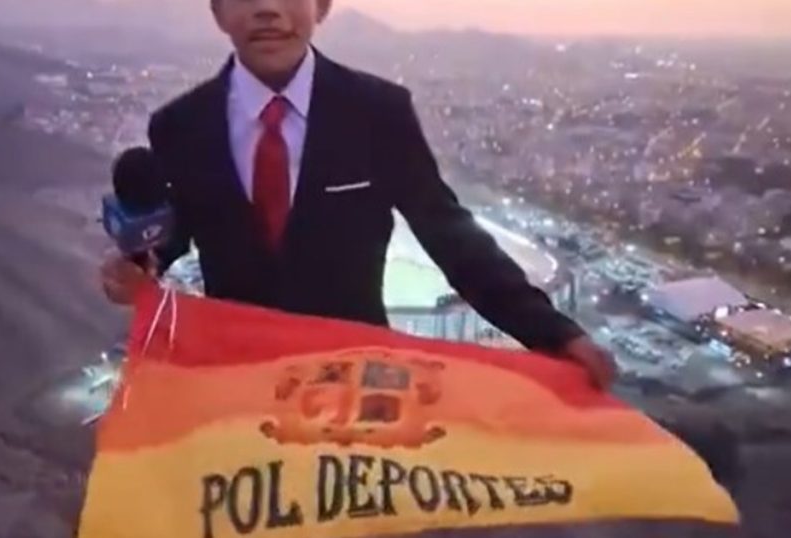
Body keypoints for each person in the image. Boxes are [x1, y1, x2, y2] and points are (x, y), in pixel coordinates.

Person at [101, 0, 617, 388]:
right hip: (239, 380)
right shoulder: (180, 125)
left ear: (321, 6)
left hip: (361, 381)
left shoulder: (377, 112)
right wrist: (140, 267)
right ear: (217, 11)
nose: (267, 9)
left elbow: (451, 237)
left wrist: (554, 333)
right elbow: (177, 231)